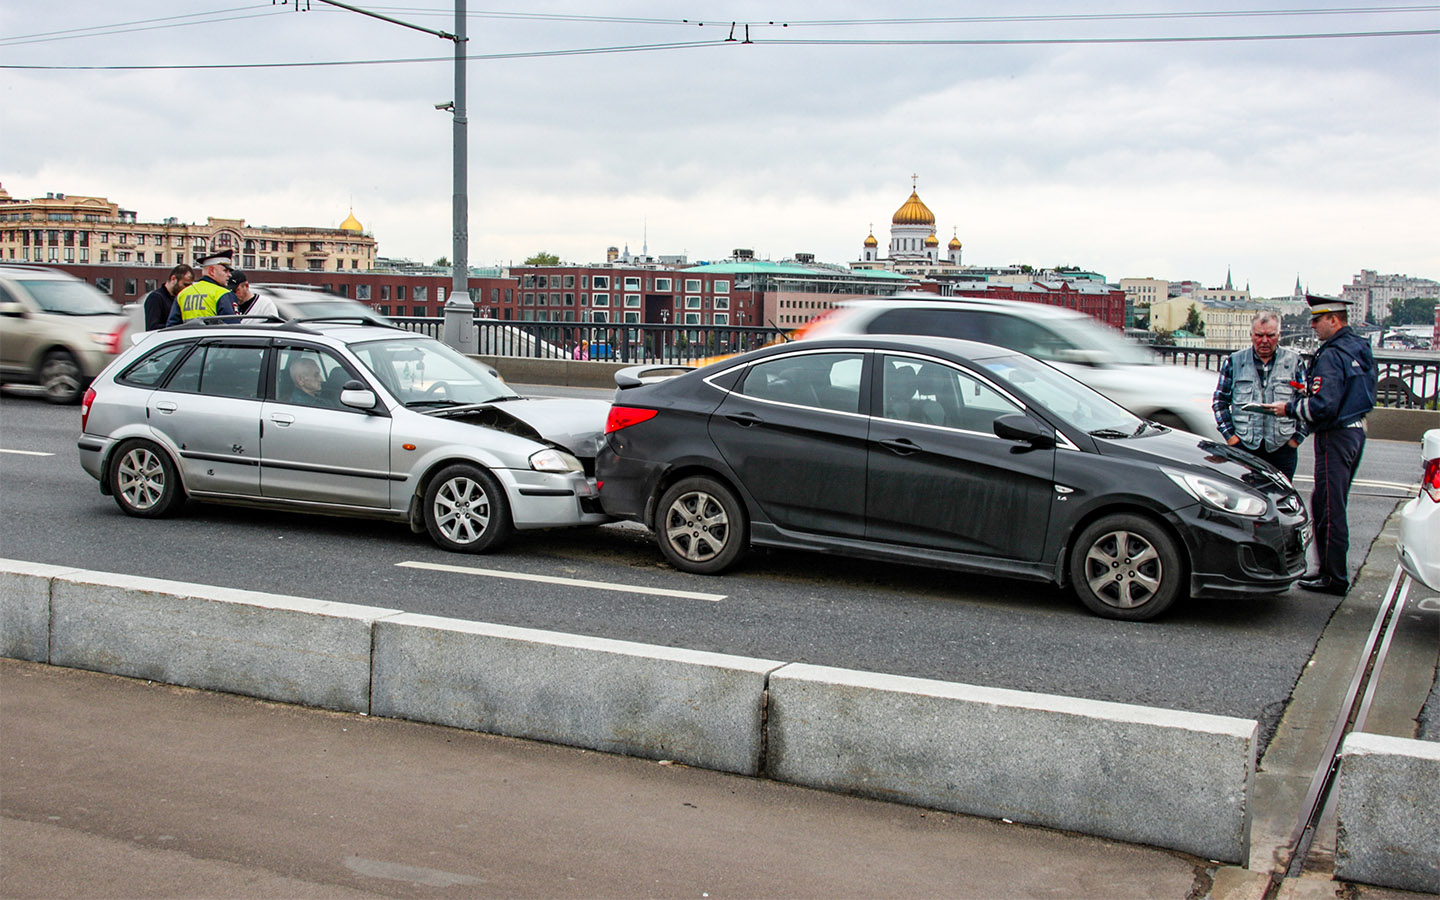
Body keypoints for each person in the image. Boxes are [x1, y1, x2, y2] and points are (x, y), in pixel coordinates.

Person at [1262, 294, 1377, 595]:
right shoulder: (1359, 347)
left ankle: (1332, 576)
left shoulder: (1331, 354)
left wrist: (1289, 408)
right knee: (1334, 503)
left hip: (1335, 436)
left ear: (1333, 320)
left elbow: (1323, 406)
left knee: (1328, 506)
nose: (1312, 326)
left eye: (1316, 320)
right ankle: (1331, 572)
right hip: (1355, 432)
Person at [1211, 311, 1308, 480]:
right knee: (1245, 498)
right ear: (1251, 335)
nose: (1264, 341)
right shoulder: (1234, 362)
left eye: (1270, 335)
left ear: (1279, 335)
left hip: (1282, 448)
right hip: (1244, 446)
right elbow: (1220, 401)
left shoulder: (1294, 362)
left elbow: (1307, 404)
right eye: (1259, 335)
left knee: (1282, 500)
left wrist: (1296, 439)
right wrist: (1231, 438)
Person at [166, 249, 240, 326]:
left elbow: (171, 327)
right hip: (214, 338)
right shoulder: (223, 294)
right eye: (225, 270)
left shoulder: (183, 294)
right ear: (212, 271)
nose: (229, 275)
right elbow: (233, 329)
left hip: (189, 337)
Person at [142, 265, 193, 331]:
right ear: (173, 279)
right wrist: (179, 326)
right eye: (185, 285)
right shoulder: (155, 298)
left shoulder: (179, 298)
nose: (187, 289)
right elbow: (152, 327)